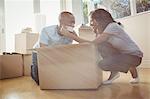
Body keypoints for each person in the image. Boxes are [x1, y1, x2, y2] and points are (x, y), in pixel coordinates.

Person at [60, 9, 143, 85]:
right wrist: (77, 35)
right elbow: (92, 45)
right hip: (126, 55)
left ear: (99, 20)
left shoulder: (112, 26)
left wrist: (71, 36)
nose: (91, 23)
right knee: (102, 46)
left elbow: (92, 44)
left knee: (103, 63)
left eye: (92, 20)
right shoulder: (104, 30)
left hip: (135, 57)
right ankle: (122, 75)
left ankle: (117, 72)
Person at [31, 11, 77, 85]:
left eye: (74, 23)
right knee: (39, 80)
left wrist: (74, 37)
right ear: (61, 23)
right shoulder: (46, 30)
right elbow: (43, 50)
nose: (73, 25)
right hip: (39, 53)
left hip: (55, 53)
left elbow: (66, 51)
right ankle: (33, 68)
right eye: (71, 22)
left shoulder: (70, 35)